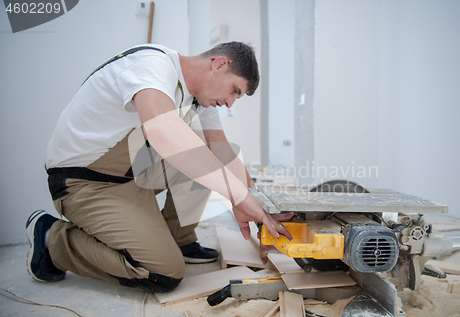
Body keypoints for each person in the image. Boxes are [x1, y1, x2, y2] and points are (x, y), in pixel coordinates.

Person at [26, 42, 292, 292]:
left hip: (127, 175)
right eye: (235, 90)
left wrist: (260, 214)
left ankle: (180, 239)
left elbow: (224, 154)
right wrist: (237, 194)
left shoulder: (198, 100)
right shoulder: (152, 66)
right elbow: (162, 131)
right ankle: (52, 239)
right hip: (85, 182)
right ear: (219, 64)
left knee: (208, 159)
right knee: (163, 273)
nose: (230, 103)